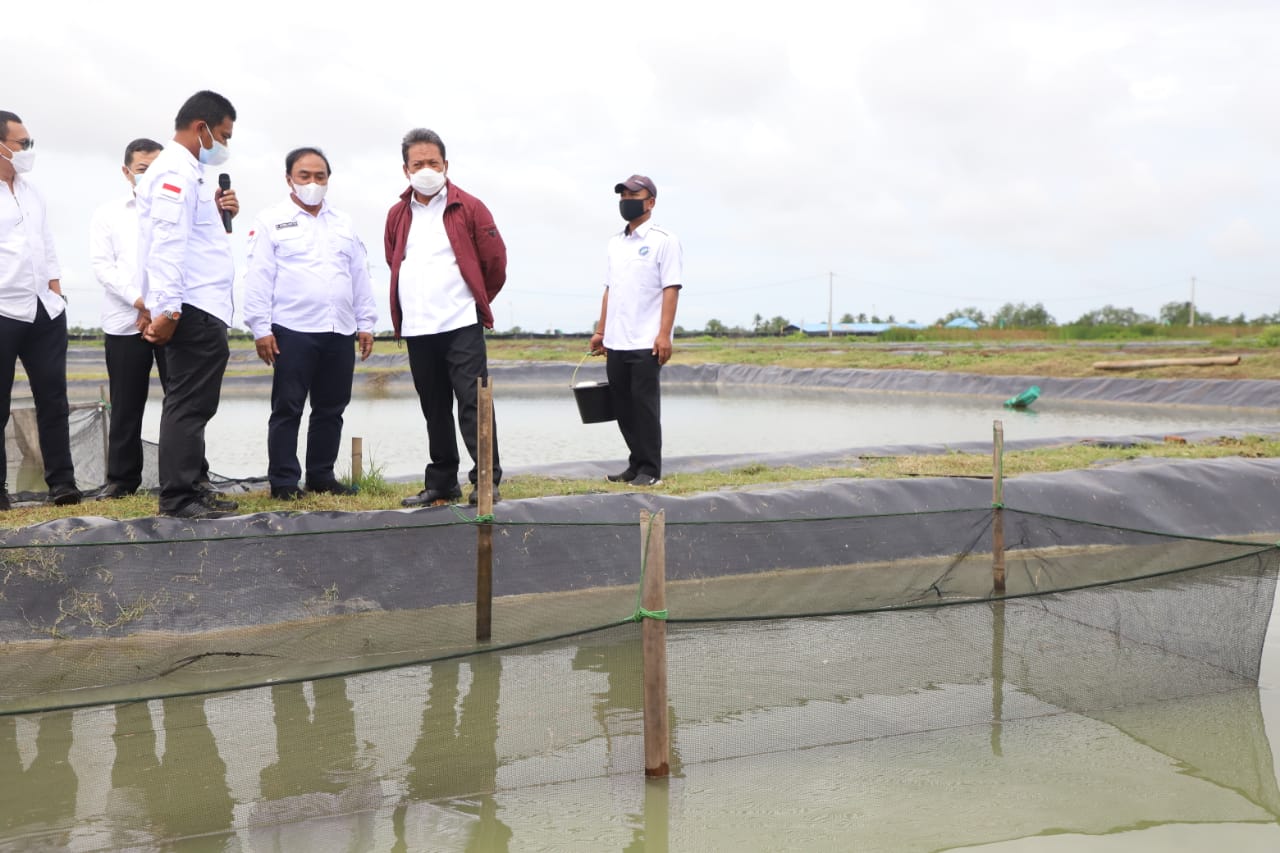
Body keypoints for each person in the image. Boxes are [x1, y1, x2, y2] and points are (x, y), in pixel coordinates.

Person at [242, 147, 377, 500]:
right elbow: (257, 277)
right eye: (305, 176)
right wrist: (261, 327)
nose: (313, 183)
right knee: (288, 407)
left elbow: (359, 275)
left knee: (331, 408)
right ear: (289, 179)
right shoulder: (271, 221)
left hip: (339, 329)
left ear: (328, 180)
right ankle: (285, 482)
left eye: (320, 176)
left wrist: (366, 323)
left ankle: (321, 475)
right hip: (292, 328)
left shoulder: (343, 223)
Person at [385, 128, 506, 507]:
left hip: (460, 324)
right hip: (419, 328)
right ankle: (442, 481)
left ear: (446, 165)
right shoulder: (397, 214)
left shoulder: (469, 207)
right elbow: (394, 260)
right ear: (405, 169)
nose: (426, 170)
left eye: (432, 163)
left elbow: (495, 262)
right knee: (433, 407)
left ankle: (486, 479)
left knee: (473, 403)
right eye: (417, 163)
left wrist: (474, 300)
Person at [91, 138, 215, 500]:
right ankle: (121, 479)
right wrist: (139, 301)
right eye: (143, 169)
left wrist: (160, 306)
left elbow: (189, 255)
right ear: (126, 171)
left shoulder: (179, 204)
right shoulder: (108, 214)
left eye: (156, 169)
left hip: (172, 319)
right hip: (125, 318)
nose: (150, 176)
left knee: (183, 401)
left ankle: (194, 475)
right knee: (126, 402)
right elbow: (103, 267)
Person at [136, 90, 241, 519]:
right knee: (188, 403)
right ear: (201, 128)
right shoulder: (175, 172)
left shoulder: (190, 172)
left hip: (202, 304)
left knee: (197, 402)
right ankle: (179, 498)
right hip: (190, 306)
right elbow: (167, 242)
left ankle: (194, 485)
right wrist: (170, 309)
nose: (225, 145)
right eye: (223, 135)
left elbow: (193, 237)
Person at [0, 110, 81, 511]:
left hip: (43, 310)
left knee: (54, 400)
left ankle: (62, 484)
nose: (28, 151)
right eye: (22, 143)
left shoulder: (33, 192)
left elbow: (46, 246)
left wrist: (56, 293)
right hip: (2, 310)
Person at [588, 174, 683, 487]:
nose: (626, 200)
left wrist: (664, 334)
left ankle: (650, 469)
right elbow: (609, 290)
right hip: (616, 340)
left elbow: (671, 289)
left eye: (633, 194)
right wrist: (601, 331)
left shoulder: (663, 241)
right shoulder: (615, 243)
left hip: (646, 341)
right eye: (623, 195)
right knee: (623, 407)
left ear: (651, 202)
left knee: (644, 407)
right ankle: (634, 464)